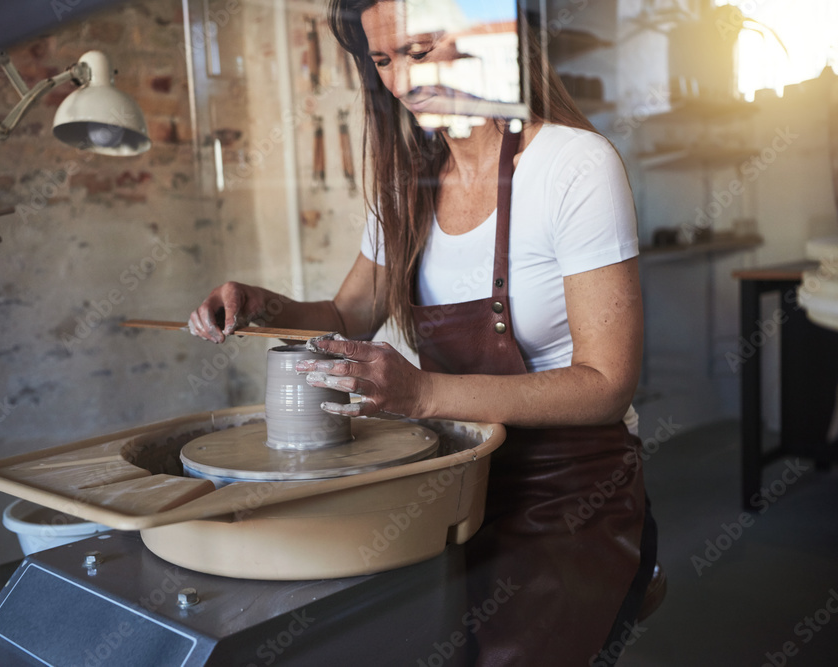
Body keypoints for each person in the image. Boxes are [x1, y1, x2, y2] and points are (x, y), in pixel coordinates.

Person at [189, 1, 657, 664]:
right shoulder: (408, 184)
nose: (403, 82)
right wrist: (263, 305)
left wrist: (421, 393)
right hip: (457, 479)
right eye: (383, 60)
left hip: (568, 490)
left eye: (420, 49)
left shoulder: (574, 166)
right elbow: (350, 315)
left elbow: (607, 386)